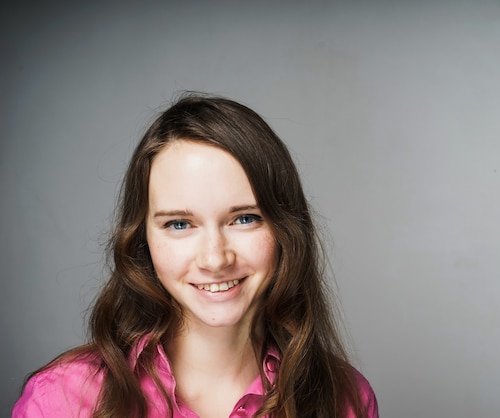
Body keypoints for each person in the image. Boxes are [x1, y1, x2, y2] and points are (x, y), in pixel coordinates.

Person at [12, 94, 378, 418]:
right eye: (179, 224)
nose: (215, 259)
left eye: (244, 218)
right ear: (143, 240)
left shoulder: (346, 400)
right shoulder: (61, 400)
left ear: (286, 230)